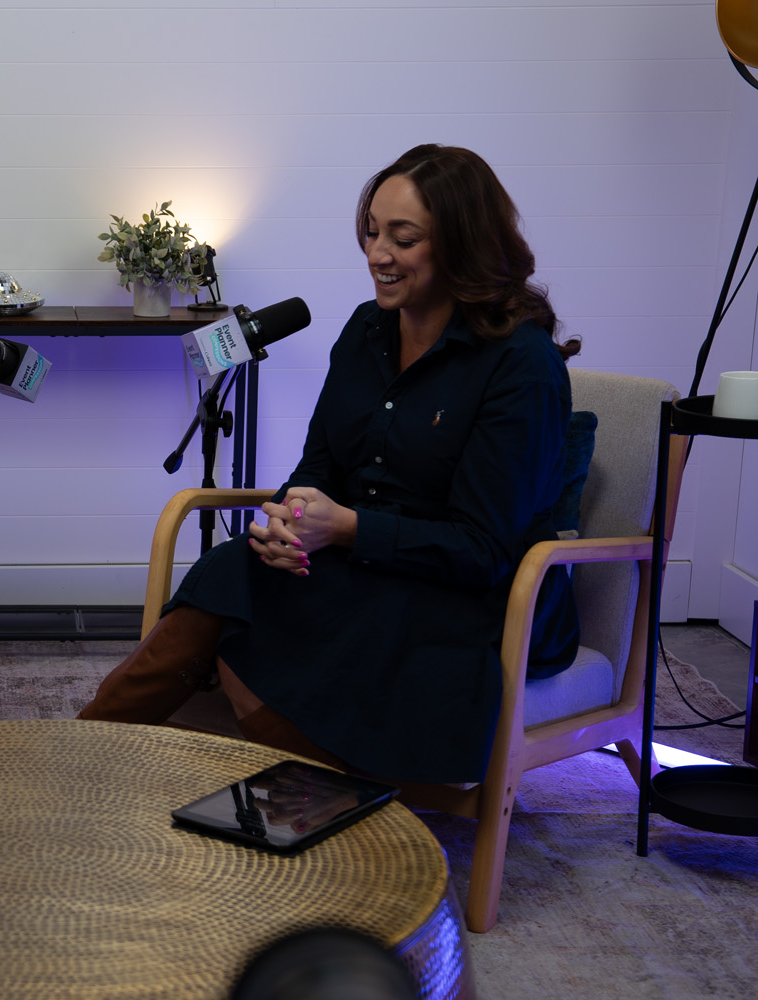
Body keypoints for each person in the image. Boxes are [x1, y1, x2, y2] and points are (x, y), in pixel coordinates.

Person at [79, 144, 581, 785]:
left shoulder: (522, 365)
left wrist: (344, 528)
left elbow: (485, 548)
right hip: (367, 562)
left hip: (476, 591)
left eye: (403, 238)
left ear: (462, 242)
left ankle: (330, 799)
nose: (377, 254)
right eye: (372, 232)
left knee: (243, 624)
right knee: (236, 569)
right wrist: (291, 519)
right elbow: (319, 465)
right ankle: (89, 757)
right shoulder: (367, 329)